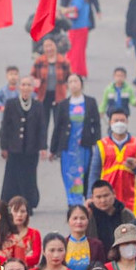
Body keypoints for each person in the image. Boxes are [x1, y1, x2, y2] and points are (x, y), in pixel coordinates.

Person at [0, 76, 48, 212]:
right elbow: (5, 127)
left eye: (29, 85)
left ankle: (27, 204)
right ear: (19, 87)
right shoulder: (11, 103)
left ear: (32, 88)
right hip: (14, 148)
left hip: (31, 149)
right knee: (12, 176)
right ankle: (9, 204)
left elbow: (42, 127)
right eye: (24, 84)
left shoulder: (38, 106)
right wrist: (4, 146)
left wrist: (43, 147)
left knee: (29, 176)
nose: (26, 88)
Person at [51, 74, 101, 207]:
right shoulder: (63, 105)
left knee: (85, 174)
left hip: (84, 147)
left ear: (81, 84)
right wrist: (53, 149)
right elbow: (57, 127)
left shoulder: (90, 102)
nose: (73, 84)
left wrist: (98, 143)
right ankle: (72, 203)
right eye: (70, 82)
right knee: (70, 176)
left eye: (76, 81)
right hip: (68, 148)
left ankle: (85, 202)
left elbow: (96, 124)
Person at [90, 114, 136, 220]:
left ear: (127, 122)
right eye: (116, 120)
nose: (119, 123)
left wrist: (135, 167)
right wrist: (90, 195)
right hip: (106, 195)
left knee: (129, 223)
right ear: (110, 123)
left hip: (128, 194)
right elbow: (94, 172)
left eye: (122, 120)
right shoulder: (102, 144)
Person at [63, 0, 101, 79]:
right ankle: (80, 71)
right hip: (81, 27)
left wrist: (62, 10)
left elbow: (74, 8)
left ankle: (74, 70)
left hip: (76, 27)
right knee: (79, 51)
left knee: (74, 51)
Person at [0, 195, 43, 267]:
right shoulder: (5, 234)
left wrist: (12, 257)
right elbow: (1, 258)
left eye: (23, 211)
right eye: (16, 211)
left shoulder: (34, 233)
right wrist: (25, 256)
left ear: (27, 214)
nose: (19, 215)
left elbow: (35, 259)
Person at [66, 204, 106, 270]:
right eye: (75, 218)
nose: (79, 222)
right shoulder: (62, 244)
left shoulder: (96, 245)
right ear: (68, 221)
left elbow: (102, 269)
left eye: (82, 218)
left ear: (88, 220)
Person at [32, 37, 71, 110]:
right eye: (46, 46)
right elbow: (32, 76)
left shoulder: (64, 61)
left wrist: (67, 87)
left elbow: (69, 77)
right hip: (43, 94)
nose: (49, 49)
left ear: (55, 46)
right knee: (43, 119)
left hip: (59, 94)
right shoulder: (39, 61)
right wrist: (35, 82)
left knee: (59, 119)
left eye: (51, 45)